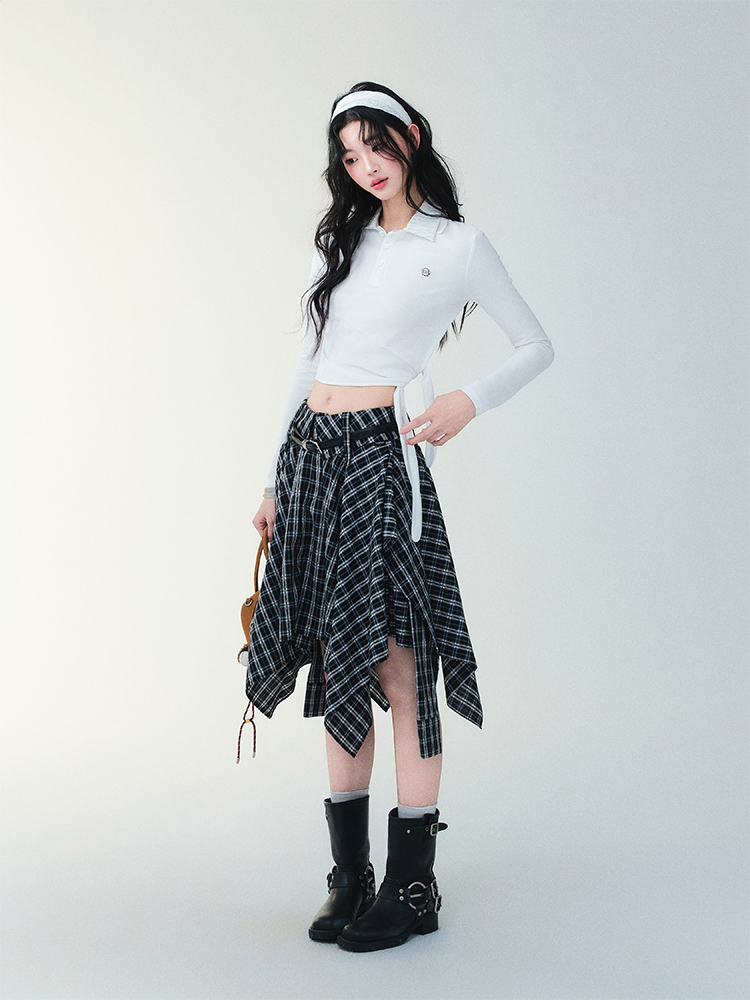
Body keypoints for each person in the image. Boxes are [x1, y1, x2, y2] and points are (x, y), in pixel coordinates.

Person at [244, 82, 554, 953]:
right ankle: (351, 879)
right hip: (313, 457)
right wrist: (272, 480)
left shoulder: (457, 246)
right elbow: (308, 367)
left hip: (382, 459)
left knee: (398, 665)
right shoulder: (345, 242)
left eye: (377, 145)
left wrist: (468, 399)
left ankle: (414, 888)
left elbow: (537, 344)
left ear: (411, 137)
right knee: (338, 661)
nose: (366, 166)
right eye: (350, 156)